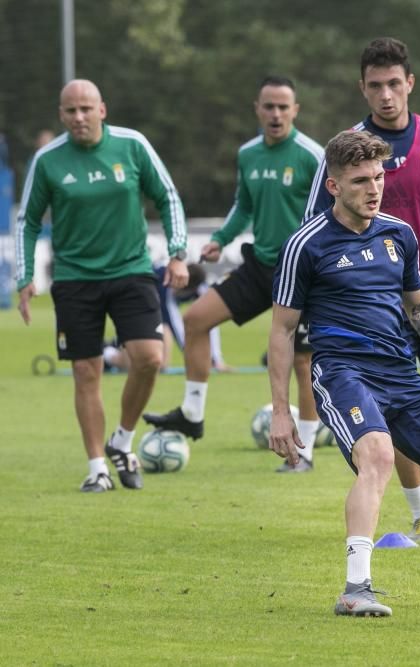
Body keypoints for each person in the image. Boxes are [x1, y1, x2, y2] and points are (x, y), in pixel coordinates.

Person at [269, 129, 420, 617]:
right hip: (343, 371)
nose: (374, 189)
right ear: (333, 187)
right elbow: (282, 332)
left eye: (378, 177)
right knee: (377, 456)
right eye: (359, 181)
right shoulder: (305, 245)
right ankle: (356, 588)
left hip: (402, 374)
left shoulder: (399, 235)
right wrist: (282, 413)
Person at [304, 37, 420, 538]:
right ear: (362, 90)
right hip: (375, 307)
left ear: (410, 83)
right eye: (375, 86)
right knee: (390, 410)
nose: (386, 94)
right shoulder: (347, 151)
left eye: (394, 83)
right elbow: (314, 224)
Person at [14, 79, 188, 492]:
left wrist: (178, 252)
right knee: (86, 371)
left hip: (131, 270)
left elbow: (167, 196)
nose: (79, 117)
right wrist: (24, 278)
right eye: (71, 111)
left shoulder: (132, 145)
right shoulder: (48, 160)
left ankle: (122, 440)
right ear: (61, 115)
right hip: (75, 279)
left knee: (150, 357)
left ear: (102, 110)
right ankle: (98, 468)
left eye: (86, 109)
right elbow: (28, 220)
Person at [144, 76, 324, 473]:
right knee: (195, 320)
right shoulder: (248, 155)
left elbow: (328, 215)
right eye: (269, 106)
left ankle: (305, 450)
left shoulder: (313, 156)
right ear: (257, 109)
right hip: (259, 267)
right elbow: (243, 206)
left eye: (283, 107)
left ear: (295, 110)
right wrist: (220, 240)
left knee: (302, 359)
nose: (276, 114)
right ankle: (192, 413)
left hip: (300, 272)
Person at [103, 263, 228, 373]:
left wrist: (216, 360)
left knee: (158, 366)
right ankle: (106, 352)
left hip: (154, 315)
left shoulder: (201, 288)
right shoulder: (164, 283)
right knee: (136, 365)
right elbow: (176, 325)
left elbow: (211, 322)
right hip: (134, 304)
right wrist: (194, 360)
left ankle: (115, 345)